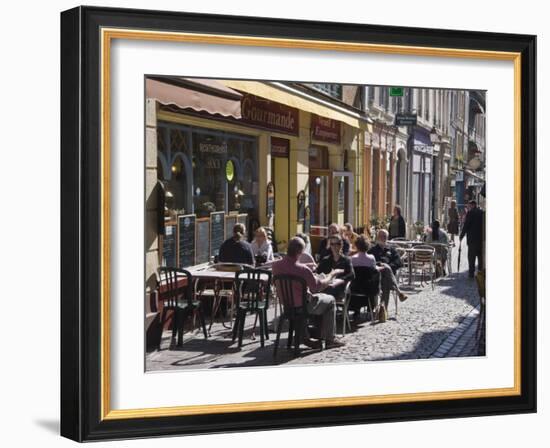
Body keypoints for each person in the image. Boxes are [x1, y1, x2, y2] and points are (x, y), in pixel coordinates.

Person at [272, 237, 345, 349]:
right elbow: (316, 287)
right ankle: (330, 339)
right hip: (303, 306)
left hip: (287, 305)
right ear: (301, 252)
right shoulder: (303, 270)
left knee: (311, 298)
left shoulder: (276, 266)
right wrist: (332, 274)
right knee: (330, 300)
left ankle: (307, 336)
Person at [367, 229, 408, 310]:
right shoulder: (372, 250)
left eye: (385, 236)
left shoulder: (392, 250)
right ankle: (398, 293)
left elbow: (399, 262)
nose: (383, 238)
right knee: (385, 273)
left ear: (387, 238)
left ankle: (383, 308)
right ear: (377, 237)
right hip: (376, 276)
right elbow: (369, 262)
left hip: (388, 276)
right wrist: (379, 265)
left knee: (385, 279)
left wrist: (387, 266)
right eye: (381, 236)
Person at [316, 234, 355, 301]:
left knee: (328, 290)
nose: (334, 246)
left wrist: (341, 280)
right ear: (330, 245)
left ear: (341, 245)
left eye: (337, 244)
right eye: (332, 244)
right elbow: (318, 272)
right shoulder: (326, 259)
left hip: (338, 287)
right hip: (326, 285)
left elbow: (351, 275)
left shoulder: (346, 260)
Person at [460, 200, 484, 278]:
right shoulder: (482, 213)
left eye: (469, 206)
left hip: (472, 240)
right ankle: (481, 272)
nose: (468, 207)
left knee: (471, 257)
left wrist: (462, 235)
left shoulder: (470, 213)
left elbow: (466, 225)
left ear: (472, 205)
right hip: (481, 239)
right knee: (480, 257)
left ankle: (471, 273)